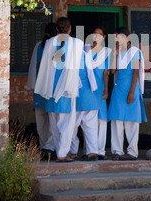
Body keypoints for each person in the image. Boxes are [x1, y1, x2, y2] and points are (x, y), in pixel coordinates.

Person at [35, 17, 84, 163]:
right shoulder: (77, 43)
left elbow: (44, 66)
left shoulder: (49, 43)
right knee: (67, 124)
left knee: (55, 124)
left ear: (56, 29)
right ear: (70, 29)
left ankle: (60, 152)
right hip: (66, 90)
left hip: (50, 90)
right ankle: (63, 153)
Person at [108, 27, 147, 160]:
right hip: (118, 90)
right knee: (117, 121)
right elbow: (113, 71)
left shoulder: (135, 52)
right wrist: (116, 54)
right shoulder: (118, 52)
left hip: (131, 89)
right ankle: (117, 151)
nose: (115, 39)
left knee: (131, 122)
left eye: (116, 36)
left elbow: (135, 72)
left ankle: (132, 152)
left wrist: (131, 93)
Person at [26, 22, 58, 159]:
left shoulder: (39, 46)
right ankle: (49, 148)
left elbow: (33, 67)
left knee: (41, 121)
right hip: (53, 89)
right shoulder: (58, 46)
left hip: (39, 90)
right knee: (53, 121)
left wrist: (31, 86)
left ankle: (43, 147)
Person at [85, 26, 112, 160]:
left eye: (100, 34)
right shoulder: (86, 50)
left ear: (104, 37)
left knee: (101, 119)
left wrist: (106, 89)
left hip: (100, 89)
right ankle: (90, 150)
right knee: (88, 120)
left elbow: (106, 72)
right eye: (94, 34)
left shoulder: (106, 52)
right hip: (87, 89)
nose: (97, 37)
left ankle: (100, 151)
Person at [70, 47, 99, 161]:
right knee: (91, 128)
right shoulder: (85, 54)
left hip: (77, 98)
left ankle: (72, 152)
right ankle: (92, 152)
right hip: (90, 97)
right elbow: (91, 75)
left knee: (71, 127)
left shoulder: (69, 55)